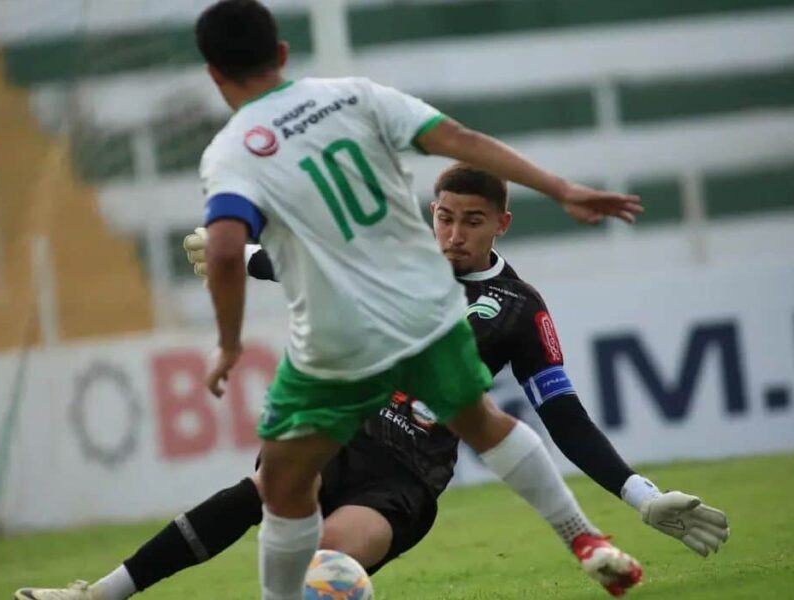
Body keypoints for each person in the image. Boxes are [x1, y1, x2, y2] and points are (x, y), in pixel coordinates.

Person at [13, 165, 725, 600]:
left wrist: (642, 496)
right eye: (444, 217)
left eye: (472, 222)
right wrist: (245, 253)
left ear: (501, 224)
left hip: (407, 474)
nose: (453, 235)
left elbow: (563, 417)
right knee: (258, 493)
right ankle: (100, 595)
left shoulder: (519, 309)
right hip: (339, 431)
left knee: (325, 565)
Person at [192, 1, 649, 598]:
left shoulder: (230, 151)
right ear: (281, 52)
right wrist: (559, 188)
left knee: (279, 484)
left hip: (338, 331)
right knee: (481, 421)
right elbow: (460, 140)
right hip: (422, 304)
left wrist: (228, 344)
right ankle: (582, 536)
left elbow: (227, 253)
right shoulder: (352, 95)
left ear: (213, 74)